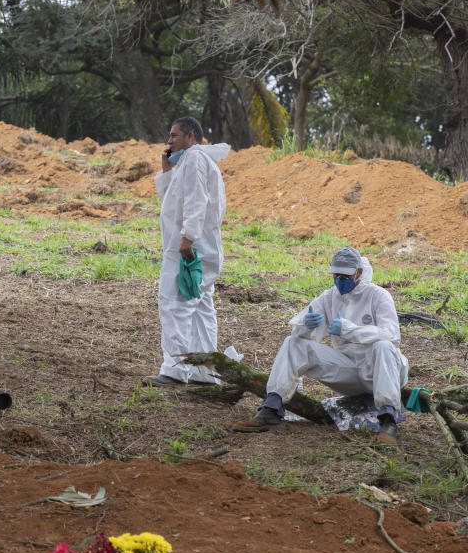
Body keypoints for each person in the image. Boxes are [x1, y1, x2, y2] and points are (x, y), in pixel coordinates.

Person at [233, 246, 409, 445]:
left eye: (345, 275)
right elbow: (299, 329)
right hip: (351, 370)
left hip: (382, 370)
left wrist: (352, 330)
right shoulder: (330, 297)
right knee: (293, 343)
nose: (340, 280)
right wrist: (306, 326)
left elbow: (393, 335)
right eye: (337, 275)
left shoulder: (378, 295)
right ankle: (271, 408)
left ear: (359, 272)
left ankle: (388, 421)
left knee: (383, 346)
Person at [144, 116, 231, 386]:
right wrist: (167, 169)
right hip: (202, 246)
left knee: (175, 305)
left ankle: (175, 369)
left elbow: (197, 200)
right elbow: (173, 201)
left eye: (174, 135)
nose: (169, 141)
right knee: (201, 307)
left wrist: (188, 237)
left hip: (190, 247)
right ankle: (205, 372)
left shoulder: (194, 158)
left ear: (191, 136)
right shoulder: (193, 161)